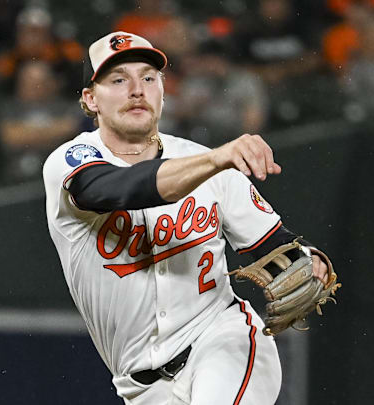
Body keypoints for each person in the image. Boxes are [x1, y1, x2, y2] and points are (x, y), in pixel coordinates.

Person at [42, 32, 330, 404]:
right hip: (141, 387)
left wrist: (311, 260)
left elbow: (276, 246)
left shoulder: (212, 164)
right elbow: (117, 188)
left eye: (148, 77)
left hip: (223, 342)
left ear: (163, 90)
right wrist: (216, 160)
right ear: (90, 99)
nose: (136, 90)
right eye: (118, 79)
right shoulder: (69, 161)